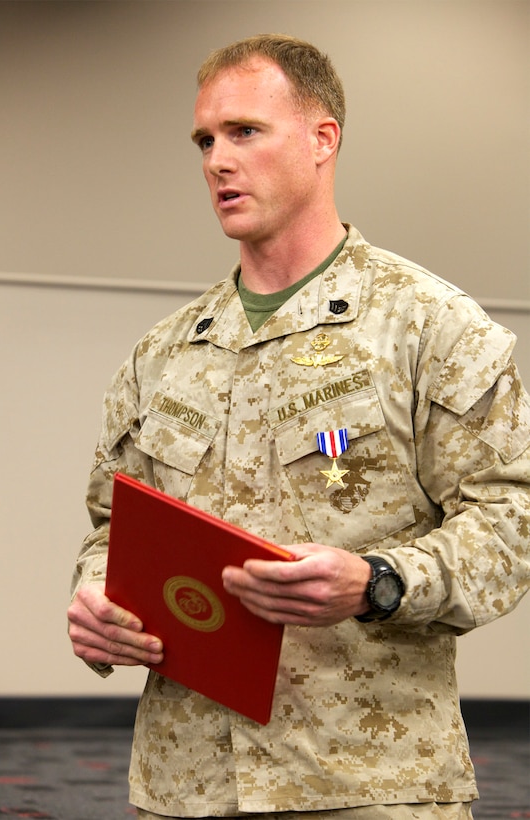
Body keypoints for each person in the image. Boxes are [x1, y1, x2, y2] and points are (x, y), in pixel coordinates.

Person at [68, 34, 530, 820]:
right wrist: (93, 597)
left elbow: (511, 522)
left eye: (244, 132)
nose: (218, 160)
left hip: (366, 784)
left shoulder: (428, 327)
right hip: (188, 785)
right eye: (204, 141)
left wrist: (377, 581)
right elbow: (115, 527)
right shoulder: (163, 354)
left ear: (322, 139)